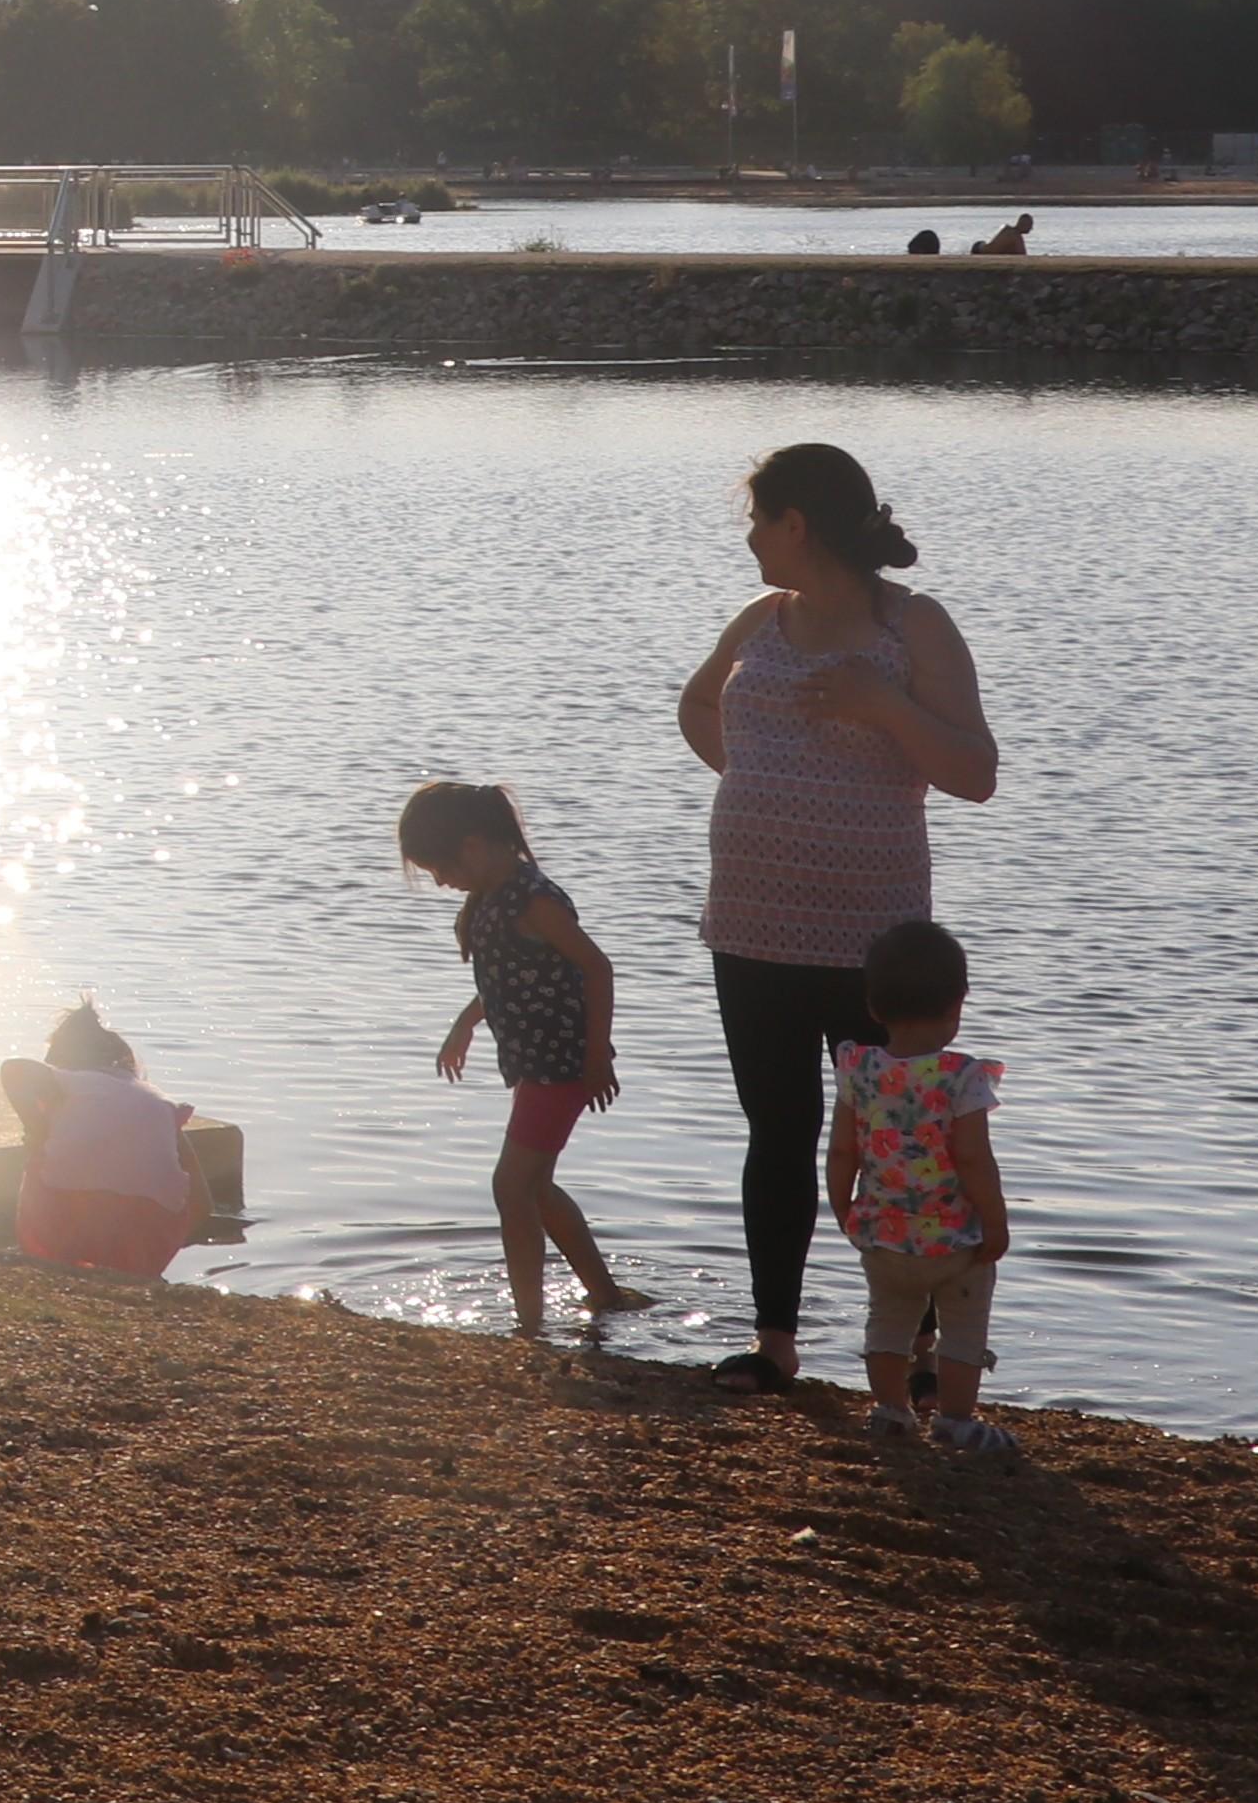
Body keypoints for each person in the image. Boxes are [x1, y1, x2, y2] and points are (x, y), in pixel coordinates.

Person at [676, 442, 999, 1391]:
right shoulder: (760, 620)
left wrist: (882, 705)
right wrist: (761, 781)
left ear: (797, 525)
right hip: (752, 927)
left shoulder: (913, 625)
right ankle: (775, 1343)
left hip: (876, 941)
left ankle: (923, 1351)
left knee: (906, 1136)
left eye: (756, 521)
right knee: (777, 1134)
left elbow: (976, 773)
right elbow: (697, 706)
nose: (748, 539)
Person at [403, 780, 645, 1334]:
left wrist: (596, 1056)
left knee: (511, 1187)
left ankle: (529, 1325)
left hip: (561, 1063)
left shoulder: (533, 900)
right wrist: (464, 1023)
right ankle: (605, 1296)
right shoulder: (491, 899)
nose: (441, 881)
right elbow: (507, 978)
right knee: (535, 1187)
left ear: (472, 846)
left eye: (440, 868)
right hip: (535, 1063)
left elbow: (596, 967)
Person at [829, 917, 1014, 1455]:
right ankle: (955, 1419)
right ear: (958, 1004)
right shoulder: (962, 1078)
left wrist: (844, 1208)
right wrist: (996, 1222)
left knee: (888, 1322)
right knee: (963, 1328)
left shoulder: (859, 1070)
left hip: (884, 1232)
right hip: (956, 1241)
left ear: (873, 1006)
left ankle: (890, 1410)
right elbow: (973, 1159)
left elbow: (842, 1150)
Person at [0, 1003, 194, 1276]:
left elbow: (12, 1068)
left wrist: (37, 1132)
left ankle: (47, 1258)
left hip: (67, 1221)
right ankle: (136, 1271)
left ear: (61, 1057)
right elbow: (203, 1200)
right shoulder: (159, 1102)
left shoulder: (69, 1080)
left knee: (41, 1157)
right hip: (149, 1238)